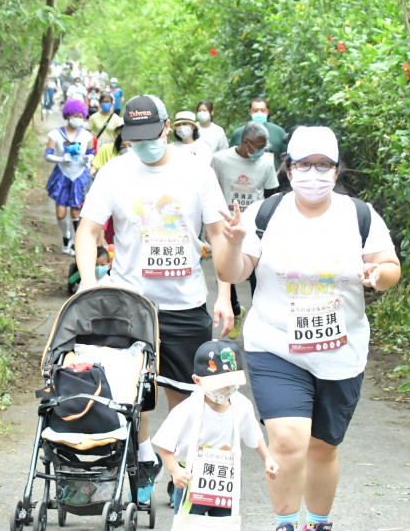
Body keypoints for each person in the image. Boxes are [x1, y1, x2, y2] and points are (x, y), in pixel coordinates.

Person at [214, 126, 401, 531]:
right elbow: (233, 271)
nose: (313, 174)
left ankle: (318, 527)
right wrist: (234, 241)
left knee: (322, 446)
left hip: (341, 346)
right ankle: (284, 530)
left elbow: (390, 264)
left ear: (336, 170)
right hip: (275, 344)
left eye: (323, 166)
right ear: (289, 168)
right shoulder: (266, 213)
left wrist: (379, 277)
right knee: (286, 438)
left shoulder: (360, 215)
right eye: (303, 165)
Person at [74, 94, 238, 501]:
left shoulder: (196, 172)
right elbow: (88, 229)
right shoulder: (114, 173)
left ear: (167, 128)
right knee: (134, 390)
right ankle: (144, 461)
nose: (144, 145)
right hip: (130, 301)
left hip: (185, 301)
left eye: (151, 135)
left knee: (184, 392)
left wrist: (224, 294)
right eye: (135, 138)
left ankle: (180, 467)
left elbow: (218, 234)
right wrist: (86, 282)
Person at [154, 338, 279, 531]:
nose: (225, 389)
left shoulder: (241, 406)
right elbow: (164, 444)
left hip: (227, 477)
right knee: (190, 518)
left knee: (222, 524)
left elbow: (254, 436)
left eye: (230, 383)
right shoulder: (187, 409)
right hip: (192, 476)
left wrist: (267, 458)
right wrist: (175, 470)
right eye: (218, 383)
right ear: (198, 381)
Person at [211, 121, 280, 339]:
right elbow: (211, 191)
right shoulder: (220, 159)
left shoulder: (267, 162)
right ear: (245, 143)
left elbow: (271, 195)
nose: (261, 150)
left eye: (264, 146)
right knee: (225, 271)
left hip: (256, 226)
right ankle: (233, 306)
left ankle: (261, 317)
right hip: (227, 224)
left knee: (257, 274)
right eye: (258, 146)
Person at [45, 99, 95, 255]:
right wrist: (60, 159)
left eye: (81, 116)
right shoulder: (55, 134)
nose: (78, 118)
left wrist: (88, 159)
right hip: (62, 174)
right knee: (61, 212)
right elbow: (48, 154)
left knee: (76, 211)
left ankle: (75, 241)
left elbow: (92, 153)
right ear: (68, 115)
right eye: (75, 115)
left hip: (80, 174)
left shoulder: (87, 136)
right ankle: (66, 236)